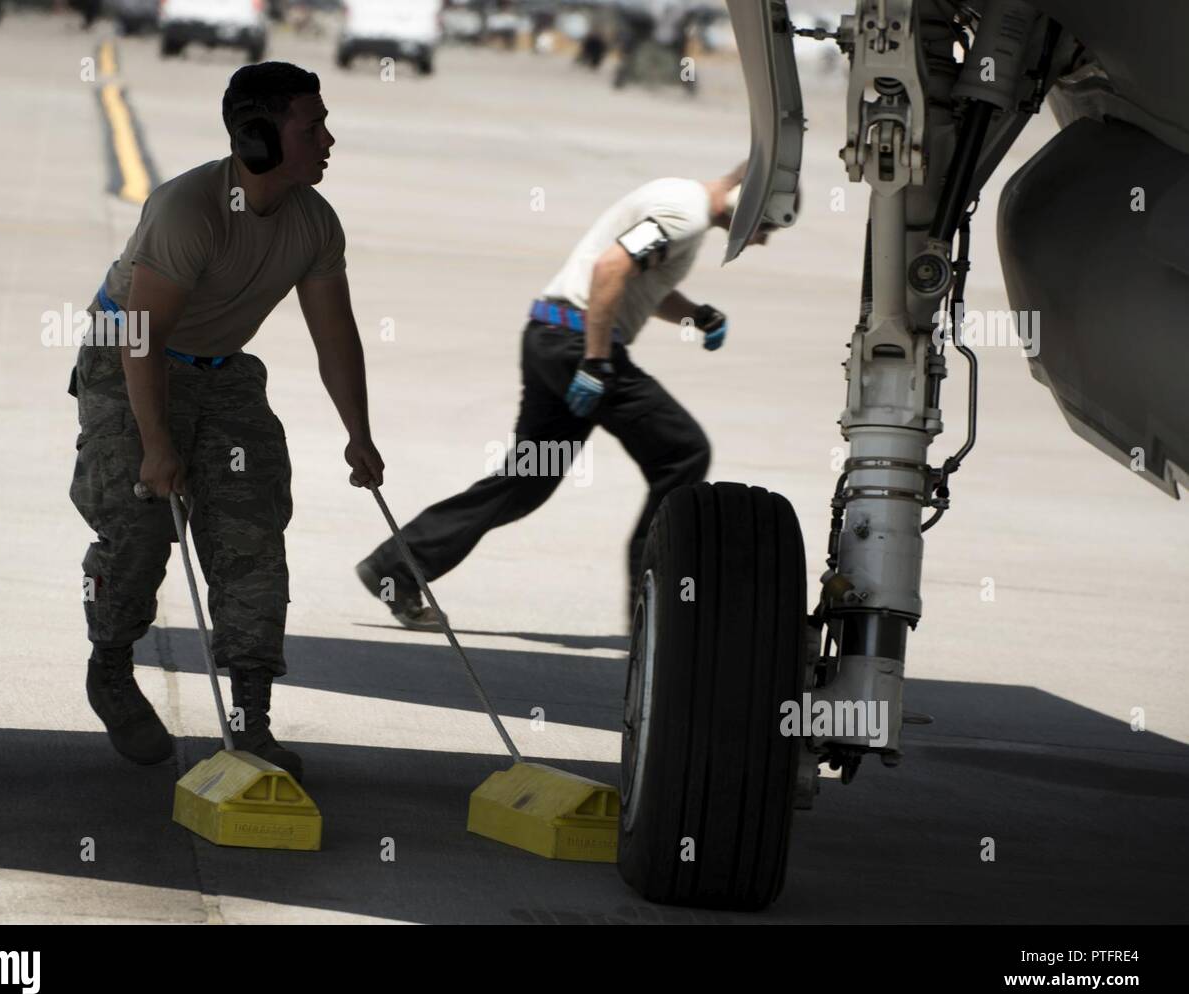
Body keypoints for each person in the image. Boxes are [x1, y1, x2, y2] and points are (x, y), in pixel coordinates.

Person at [69, 62, 384, 784]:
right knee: (141, 525)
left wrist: (358, 434)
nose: (329, 139)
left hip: (220, 371)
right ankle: (111, 665)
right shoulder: (189, 209)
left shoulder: (312, 221)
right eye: (313, 127)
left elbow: (335, 335)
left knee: (251, 530)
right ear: (258, 138)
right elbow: (142, 337)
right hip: (131, 363)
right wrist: (156, 447)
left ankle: (250, 722)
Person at [357, 163, 788, 630]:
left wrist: (696, 314)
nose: (762, 239)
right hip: (579, 346)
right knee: (682, 453)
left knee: (525, 482)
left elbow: (637, 281)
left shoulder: (680, 201)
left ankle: (394, 568)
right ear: (746, 199)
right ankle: (652, 610)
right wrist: (598, 361)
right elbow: (611, 270)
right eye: (768, 224)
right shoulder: (685, 214)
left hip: (552, 334)